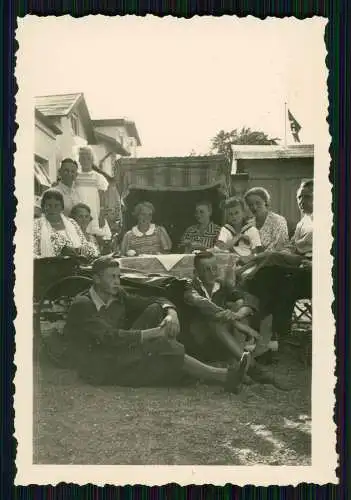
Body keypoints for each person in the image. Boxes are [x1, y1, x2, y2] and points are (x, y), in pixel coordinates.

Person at [63, 256, 251, 393]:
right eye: (111, 277)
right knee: (166, 354)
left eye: (118, 276)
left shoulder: (117, 294)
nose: (117, 281)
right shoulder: (83, 304)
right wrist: (153, 334)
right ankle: (225, 376)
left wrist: (171, 312)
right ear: (96, 279)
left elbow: (153, 300)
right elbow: (110, 337)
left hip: (121, 351)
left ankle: (186, 363)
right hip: (101, 365)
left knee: (154, 309)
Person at [183, 251, 289, 390]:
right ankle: (254, 370)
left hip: (222, 340)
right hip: (199, 343)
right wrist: (238, 324)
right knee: (215, 322)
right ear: (196, 272)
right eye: (206, 269)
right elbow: (204, 306)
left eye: (215, 268)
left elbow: (249, 299)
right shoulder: (189, 287)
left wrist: (238, 315)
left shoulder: (222, 285)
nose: (212, 273)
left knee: (238, 304)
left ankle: (240, 367)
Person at [241, 180, 313, 353]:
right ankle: (267, 333)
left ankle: (269, 334)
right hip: (294, 265)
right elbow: (292, 245)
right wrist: (287, 253)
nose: (302, 201)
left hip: (312, 269)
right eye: (299, 197)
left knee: (269, 263)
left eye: (308, 196)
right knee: (268, 279)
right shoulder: (304, 221)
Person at [33, 189, 99, 260]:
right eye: (49, 205)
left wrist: (79, 250)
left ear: (62, 208)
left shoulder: (72, 222)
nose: (53, 209)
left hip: (76, 265)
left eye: (56, 205)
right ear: (43, 207)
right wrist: (58, 256)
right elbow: (31, 253)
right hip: (49, 267)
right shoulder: (36, 225)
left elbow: (84, 243)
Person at [75, 145, 111, 240]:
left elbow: (103, 197)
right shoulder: (75, 177)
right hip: (79, 211)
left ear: (92, 159)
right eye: (82, 157)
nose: (85, 160)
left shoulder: (98, 177)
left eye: (88, 157)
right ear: (79, 160)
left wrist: (102, 215)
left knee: (95, 237)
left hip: (95, 211)